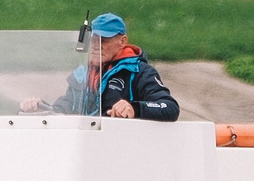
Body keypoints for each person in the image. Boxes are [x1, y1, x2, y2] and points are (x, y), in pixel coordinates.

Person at [23, 13, 180, 121]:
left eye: (103, 41)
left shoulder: (140, 72)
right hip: (86, 147)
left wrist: (134, 108)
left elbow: (170, 107)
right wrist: (40, 107)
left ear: (122, 41)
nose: (96, 46)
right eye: (93, 40)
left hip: (119, 148)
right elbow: (63, 110)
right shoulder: (82, 74)